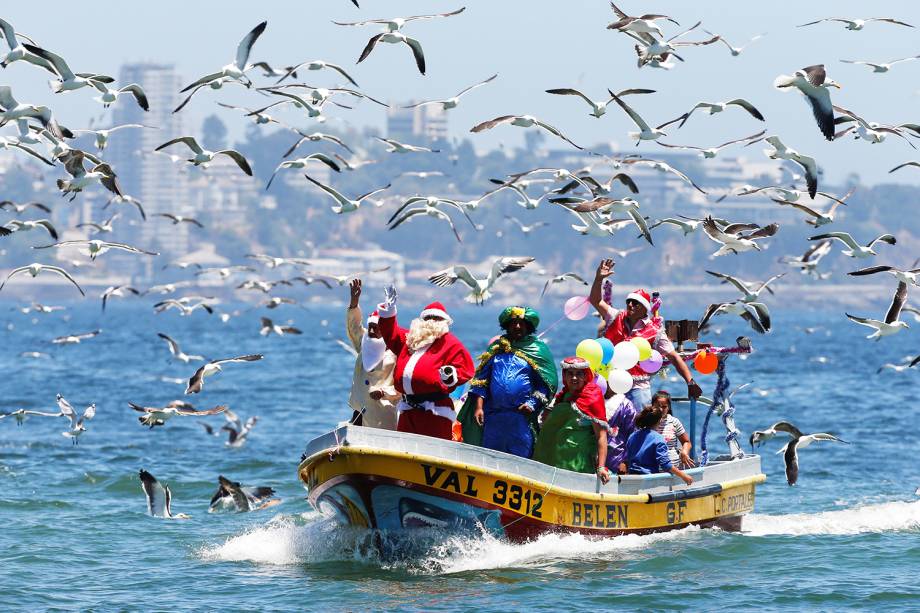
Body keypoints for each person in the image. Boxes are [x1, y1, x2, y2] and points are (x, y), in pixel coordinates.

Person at [588, 258, 702, 409]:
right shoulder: (614, 316)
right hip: (609, 385)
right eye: (628, 301)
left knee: (639, 428)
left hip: (638, 389)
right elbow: (595, 300)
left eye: (635, 303)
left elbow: (674, 357)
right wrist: (598, 278)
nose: (630, 305)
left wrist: (690, 382)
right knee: (609, 430)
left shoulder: (655, 331)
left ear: (644, 308)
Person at [457, 306, 557, 457]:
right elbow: (481, 380)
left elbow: (546, 384)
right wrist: (478, 407)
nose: (517, 326)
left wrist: (532, 404)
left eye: (521, 323)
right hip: (493, 417)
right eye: (513, 323)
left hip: (520, 419)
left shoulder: (538, 350)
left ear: (528, 326)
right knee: (489, 458)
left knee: (520, 460)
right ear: (506, 326)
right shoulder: (496, 349)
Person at [376, 286, 474, 440]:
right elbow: (390, 333)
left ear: (444, 322)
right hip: (408, 410)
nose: (432, 322)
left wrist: (451, 375)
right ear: (421, 321)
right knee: (405, 450)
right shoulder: (410, 339)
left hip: (435, 412)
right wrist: (389, 310)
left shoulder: (450, 343)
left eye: (436, 318)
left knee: (434, 450)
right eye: (428, 318)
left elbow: (466, 368)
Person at [532, 357, 611, 483]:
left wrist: (601, 467)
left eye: (579, 374)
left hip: (578, 466)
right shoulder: (563, 396)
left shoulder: (592, 397)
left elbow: (601, 436)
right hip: (553, 461)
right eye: (570, 374)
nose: (574, 378)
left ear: (586, 376)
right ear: (564, 376)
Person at [345, 279, 399, 429]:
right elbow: (354, 327)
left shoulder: (396, 349)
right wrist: (354, 303)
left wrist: (384, 392)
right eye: (371, 327)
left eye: (377, 327)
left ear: (386, 329)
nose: (372, 331)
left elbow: (404, 384)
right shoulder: (364, 343)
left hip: (384, 413)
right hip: (360, 410)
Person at [623, 404, 694, 485]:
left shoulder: (632, 436)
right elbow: (665, 464)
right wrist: (683, 476)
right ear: (659, 421)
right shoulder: (658, 439)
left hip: (632, 477)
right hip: (648, 480)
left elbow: (628, 458)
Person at [651, 390, 695, 469]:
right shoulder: (647, 422)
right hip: (652, 469)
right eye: (657, 406)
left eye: (664, 407)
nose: (661, 409)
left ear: (669, 407)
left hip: (673, 469)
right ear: (652, 406)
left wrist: (684, 452)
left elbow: (686, 442)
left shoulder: (674, 422)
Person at [603, 389, 637, 474]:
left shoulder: (626, 405)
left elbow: (632, 435)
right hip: (593, 457)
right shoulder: (592, 401)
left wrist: (625, 461)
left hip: (617, 457)